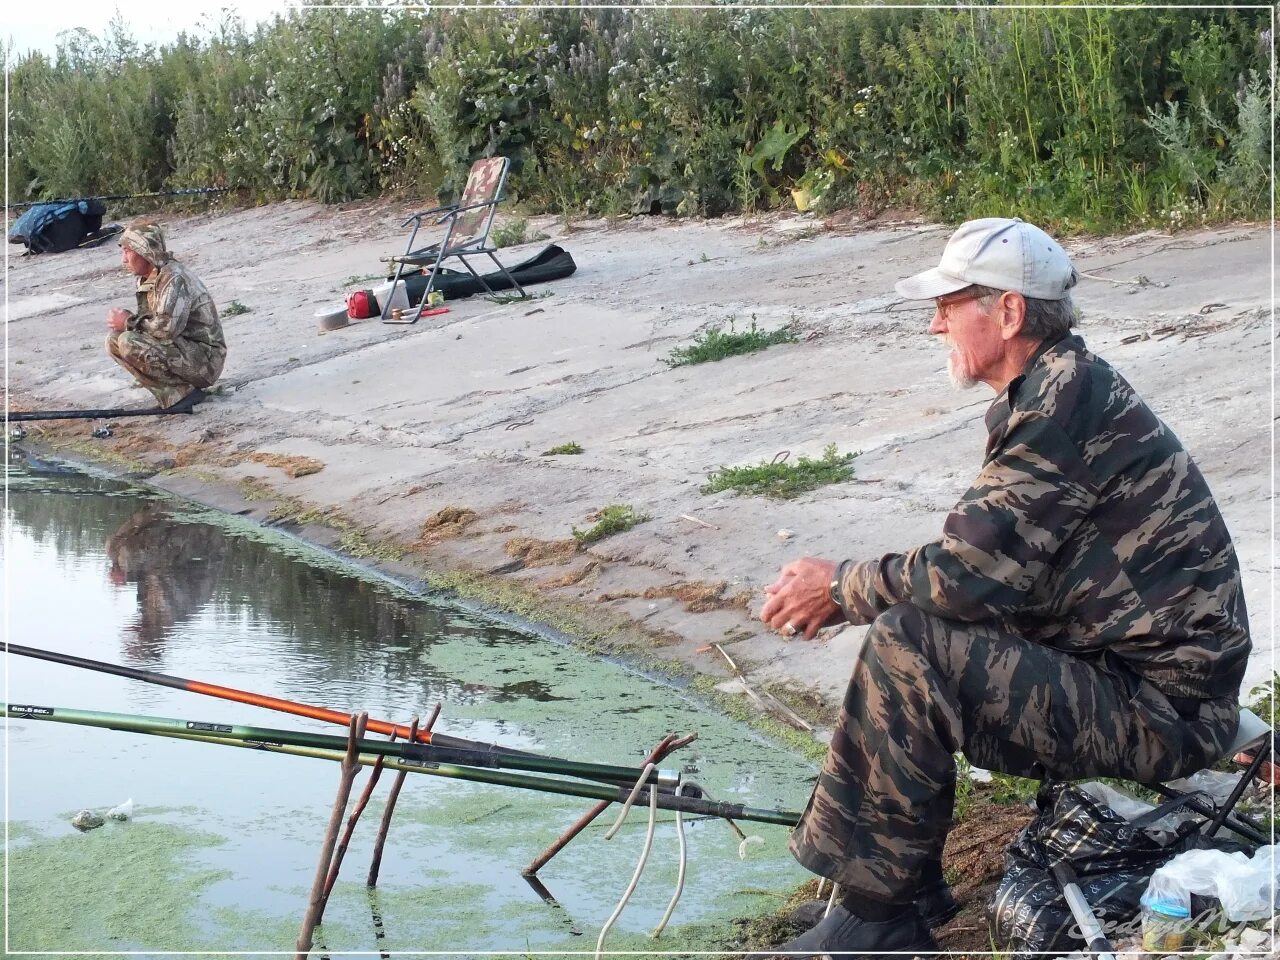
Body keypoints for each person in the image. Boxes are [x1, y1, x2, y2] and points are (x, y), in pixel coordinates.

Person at [755, 217, 1251, 958]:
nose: (935, 326)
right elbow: (991, 574)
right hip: (1138, 682)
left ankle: (880, 916)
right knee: (918, 634)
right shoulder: (1057, 390)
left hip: (1162, 711)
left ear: (1009, 311)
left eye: (950, 306)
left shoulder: (1063, 404)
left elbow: (963, 573)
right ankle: (896, 883)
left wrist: (839, 587)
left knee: (910, 641)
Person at [105, 220, 226, 410]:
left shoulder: (174, 277)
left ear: (144, 251)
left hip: (206, 360)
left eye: (128, 251)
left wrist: (128, 321)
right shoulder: (152, 277)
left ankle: (184, 394)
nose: (124, 260)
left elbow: (165, 329)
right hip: (186, 350)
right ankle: (171, 396)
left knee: (128, 341)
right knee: (113, 341)